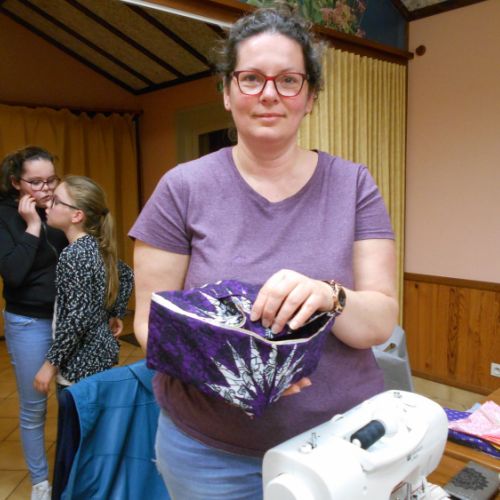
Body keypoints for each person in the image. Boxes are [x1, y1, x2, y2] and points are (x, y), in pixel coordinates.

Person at [129, 5, 398, 499]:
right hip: (211, 456)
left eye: (289, 80)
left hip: (339, 444)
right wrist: (232, 372)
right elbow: (151, 323)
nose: (269, 94)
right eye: (251, 78)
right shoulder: (182, 188)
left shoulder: (353, 184)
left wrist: (329, 295)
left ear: (310, 97)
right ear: (226, 93)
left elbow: (379, 323)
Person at [0, 146, 67, 500]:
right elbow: (13, 274)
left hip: (69, 319)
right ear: (16, 183)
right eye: (36, 182)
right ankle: (41, 483)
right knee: (34, 407)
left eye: (51, 180)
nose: (46, 189)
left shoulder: (60, 206)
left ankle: (74, 470)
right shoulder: (4, 216)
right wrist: (33, 226)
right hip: (29, 321)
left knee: (73, 399)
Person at [33, 175, 133, 393]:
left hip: (79, 367)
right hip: (100, 357)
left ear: (77, 215)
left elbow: (76, 319)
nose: (48, 205)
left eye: (56, 201)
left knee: (79, 416)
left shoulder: (74, 255)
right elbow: (126, 275)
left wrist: (50, 365)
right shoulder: (94, 247)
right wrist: (115, 313)